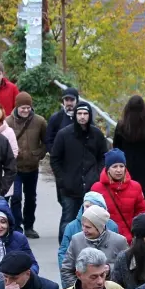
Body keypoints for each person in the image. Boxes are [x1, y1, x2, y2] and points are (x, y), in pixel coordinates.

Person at [50, 100, 109, 237]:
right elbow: (55, 158)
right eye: (79, 113)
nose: (82, 116)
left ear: (89, 116)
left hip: (91, 186)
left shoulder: (97, 134)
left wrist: (97, 175)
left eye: (85, 113)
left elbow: (103, 156)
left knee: (92, 220)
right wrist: (62, 178)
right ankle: (65, 252)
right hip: (69, 187)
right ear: (75, 115)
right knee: (68, 220)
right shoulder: (64, 134)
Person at [6, 92, 46, 239]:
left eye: (28, 107)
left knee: (31, 198)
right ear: (17, 106)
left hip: (32, 167)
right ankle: (17, 226)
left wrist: (39, 154)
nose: (25, 110)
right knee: (15, 197)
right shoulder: (8, 122)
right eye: (23, 107)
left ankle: (29, 226)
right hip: (15, 168)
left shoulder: (40, 121)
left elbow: (46, 141)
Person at [61, 205, 127, 289]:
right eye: (83, 225)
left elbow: (127, 272)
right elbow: (66, 270)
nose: (84, 230)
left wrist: (110, 270)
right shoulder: (76, 240)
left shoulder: (119, 241)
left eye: (88, 227)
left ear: (99, 227)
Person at [90, 148, 145, 244]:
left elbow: (142, 213)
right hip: (105, 241)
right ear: (108, 169)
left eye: (121, 166)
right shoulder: (97, 188)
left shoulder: (136, 187)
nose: (118, 170)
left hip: (129, 241)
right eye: (115, 166)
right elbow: (91, 215)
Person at [57, 191, 118, 274]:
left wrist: (109, 270)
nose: (89, 209)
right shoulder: (71, 227)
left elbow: (118, 255)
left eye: (93, 206)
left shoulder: (112, 226)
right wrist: (71, 278)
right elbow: (63, 254)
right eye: (87, 206)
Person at [113, 95, 145, 197]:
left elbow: (116, 149)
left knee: (124, 199)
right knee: (141, 201)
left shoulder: (122, 126)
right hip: (144, 171)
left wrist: (115, 168)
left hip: (125, 169)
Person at [45, 87, 78, 154]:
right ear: (63, 101)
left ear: (76, 100)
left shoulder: (84, 117)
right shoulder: (56, 118)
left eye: (72, 100)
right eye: (66, 100)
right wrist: (54, 153)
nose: (69, 103)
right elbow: (48, 139)